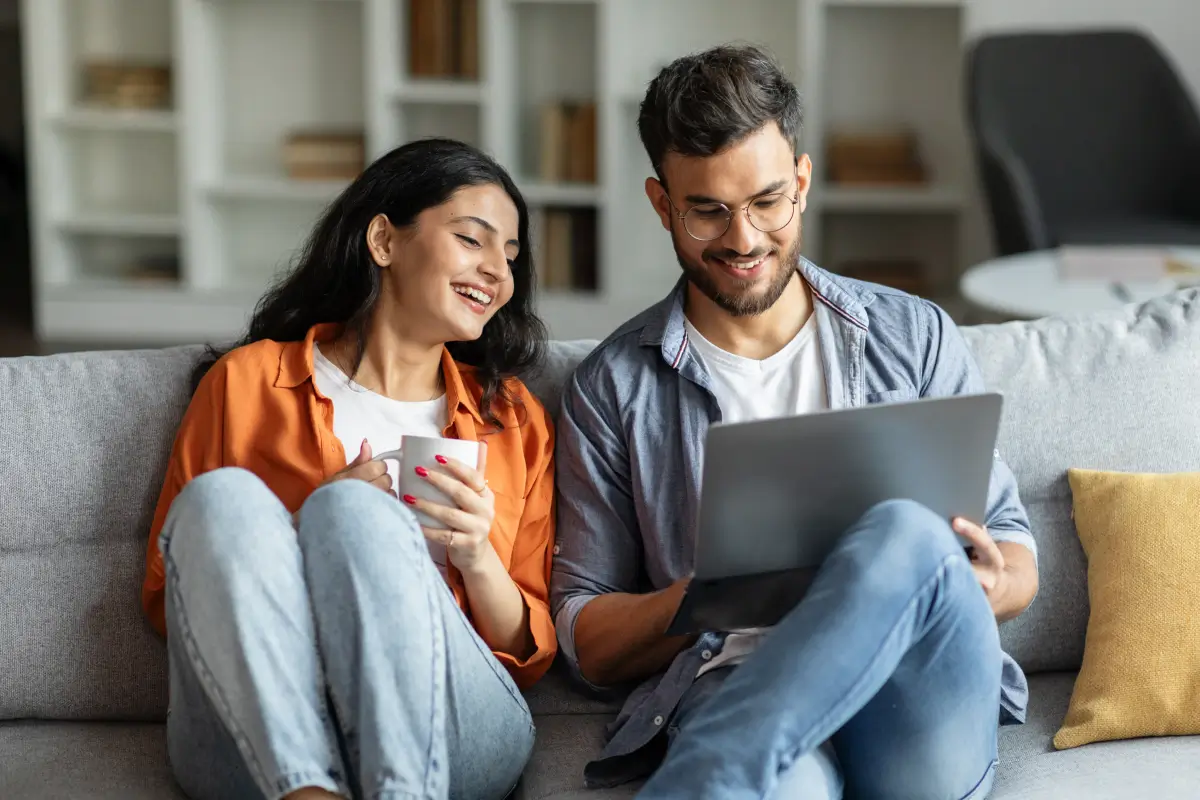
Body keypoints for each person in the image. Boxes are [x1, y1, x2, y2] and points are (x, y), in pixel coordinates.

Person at [550, 45, 1038, 799]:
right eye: (707, 211)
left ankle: (715, 767)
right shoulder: (614, 387)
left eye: (766, 202)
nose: (742, 240)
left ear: (802, 183)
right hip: (735, 677)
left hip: (913, 687)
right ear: (661, 204)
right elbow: (585, 639)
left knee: (904, 535)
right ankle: (732, 761)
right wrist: (712, 592)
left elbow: (1016, 559)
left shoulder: (915, 336)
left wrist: (947, 579)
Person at [141, 138, 557, 800]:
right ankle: (309, 790)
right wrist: (302, 526)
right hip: (267, 730)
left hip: (452, 732)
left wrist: (477, 557)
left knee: (355, 511)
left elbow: (528, 654)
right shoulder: (247, 384)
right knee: (231, 500)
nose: (498, 273)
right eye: (473, 240)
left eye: (510, 256)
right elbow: (174, 600)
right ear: (385, 241)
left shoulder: (511, 418)